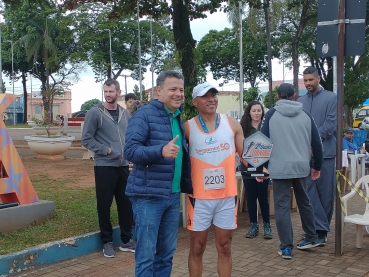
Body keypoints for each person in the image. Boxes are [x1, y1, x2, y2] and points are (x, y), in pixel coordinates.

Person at [124, 70, 192, 276]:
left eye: (181, 89)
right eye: (173, 89)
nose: (178, 94)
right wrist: (160, 151)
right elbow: (130, 150)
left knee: (166, 254)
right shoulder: (144, 115)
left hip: (171, 196)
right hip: (148, 197)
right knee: (146, 256)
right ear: (158, 91)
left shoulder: (177, 117)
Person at [184, 82, 245, 277]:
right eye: (205, 96)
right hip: (199, 197)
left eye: (213, 95)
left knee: (225, 247)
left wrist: (261, 169)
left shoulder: (232, 124)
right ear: (195, 101)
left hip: (227, 196)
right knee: (197, 248)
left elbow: (247, 158)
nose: (211, 99)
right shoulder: (187, 128)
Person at [260, 83, 324, 259]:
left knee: (281, 207)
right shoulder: (306, 115)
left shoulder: (271, 114)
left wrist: (260, 169)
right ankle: (311, 237)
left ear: (278, 96)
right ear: (295, 95)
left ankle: (286, 247)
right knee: (305, 202)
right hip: (302, 167)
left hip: (279, 168)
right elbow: (317, 144)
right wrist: (317, 166)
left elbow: (262, 143)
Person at [82, 78, 135, 258]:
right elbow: (86, 139)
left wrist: (130, 158)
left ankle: (126, 241)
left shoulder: (124, 113)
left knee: (126, 203)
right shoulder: (94, 113)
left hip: (123, 166)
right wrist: (106, 150)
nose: (108, 94)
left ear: (118, 92)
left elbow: (129, 138)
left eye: (111, 91)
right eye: (106, 92)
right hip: (104, 165)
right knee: (104, 205)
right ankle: (107, 241)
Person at [297, 66, 337, 245]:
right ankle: (315, 229)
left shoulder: (331, 98)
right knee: (308, 194)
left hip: (326, 155)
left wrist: (313, 141)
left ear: (318, 79)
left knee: (325, 195)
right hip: (305, 157)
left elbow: (331, 125)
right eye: (305, 80)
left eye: (310, 80)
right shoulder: (300, 101)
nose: (307, 84)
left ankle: (321, 232)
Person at [240, 101, 272, 239]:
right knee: (251, 198)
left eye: (259, 110)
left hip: (263, 167)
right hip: (247, 167)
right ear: (249, 112)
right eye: (254, 111)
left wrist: (264, 168)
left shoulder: (267, 127)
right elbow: (240, 149)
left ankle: (267, 225)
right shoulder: (243, 129)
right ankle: (253, 225)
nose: (257, 113)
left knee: (263, 198)